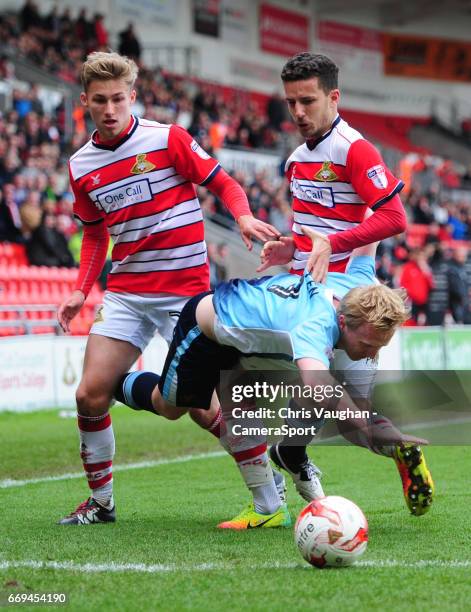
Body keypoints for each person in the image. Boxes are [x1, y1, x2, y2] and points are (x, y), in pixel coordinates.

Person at [57, 51, 279, 525]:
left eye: (119, 98)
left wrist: (241, 215)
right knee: (89, 395)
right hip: (126, 294)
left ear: (132, 97)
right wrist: (81, 289)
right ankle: (101, 503)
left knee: (202, 408)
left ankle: (268, 499)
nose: (111, 108)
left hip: (186, 297)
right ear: (85, 103)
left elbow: (222, 182)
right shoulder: (81, 166)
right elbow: (95, 233)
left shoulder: (166, 138)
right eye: (101, 100)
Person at [116, 234, 428, 529]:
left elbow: (364, 252)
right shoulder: (315, 325)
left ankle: (269, 505)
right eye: (368, 345)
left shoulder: (358, 289)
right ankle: (115, 383)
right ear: (343, 322)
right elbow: (319, 386)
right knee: (170, 407)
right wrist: (370, 423)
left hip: (247, 342)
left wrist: (376, 202)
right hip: (207, 331)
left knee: (245, 402)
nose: (372, 355)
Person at [255, 52, 434, 517]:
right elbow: (306, 233)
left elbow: (395, 218)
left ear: (334, 97)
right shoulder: (295, 161)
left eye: (308, 101)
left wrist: (331, 244)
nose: (297, 113)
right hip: (308, 291)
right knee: (333, 400)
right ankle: (296, 454)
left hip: (350, 296)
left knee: (349, 416)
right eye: (291, 102)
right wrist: (288, 250)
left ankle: (293, 453)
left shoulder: (355, 149)